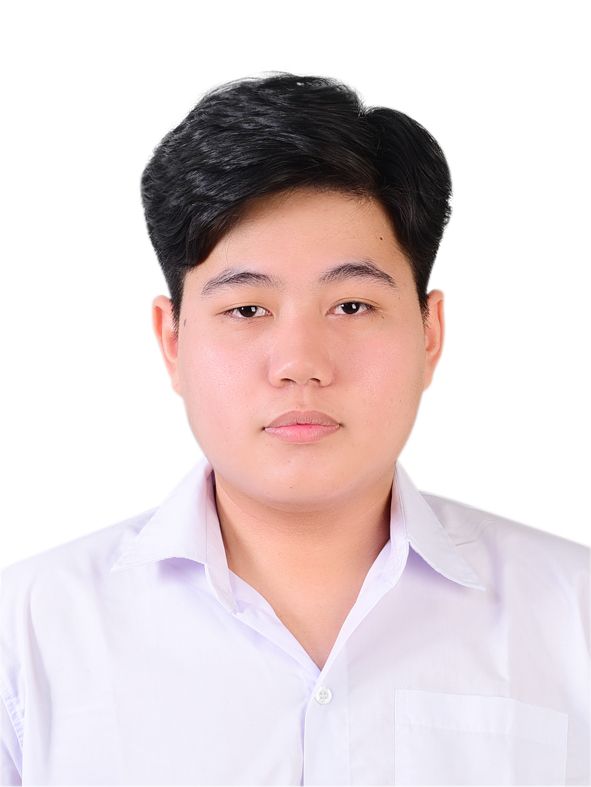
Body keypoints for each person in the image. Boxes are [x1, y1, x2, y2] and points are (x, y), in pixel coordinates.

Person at [1, 72, 588, 786]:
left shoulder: (573, 618)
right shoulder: (27, 635)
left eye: (351, 306)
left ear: (429, 333)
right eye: (247, 310)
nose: (300, 364)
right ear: (172, 340)